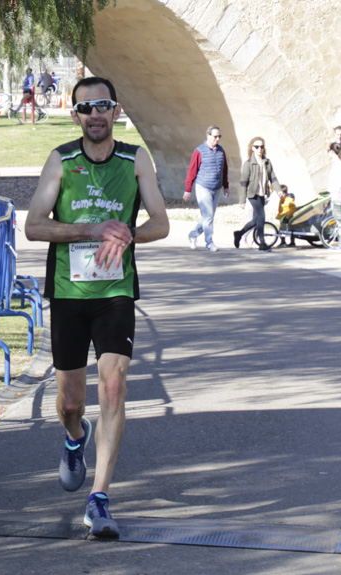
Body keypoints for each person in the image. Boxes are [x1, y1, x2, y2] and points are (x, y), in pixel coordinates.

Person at [24, 76, 170, 538]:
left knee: (113, 387)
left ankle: (100, 499)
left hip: (116, 293)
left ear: (116, 110)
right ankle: (74, 436)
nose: (96, 115)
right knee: (71, 401)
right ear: (75, 115)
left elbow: (161, 223)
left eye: (103, 106)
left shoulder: (135, 159)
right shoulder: (61, 160)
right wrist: (90, 230)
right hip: (69, 293)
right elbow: (33, 226)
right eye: (86, 108)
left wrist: (129, 234)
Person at [183, 125, 229, 251]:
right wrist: (188, 189)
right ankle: (209, 242)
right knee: (208, 216)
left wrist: (226, 186)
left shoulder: (221, 151)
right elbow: (192, 171)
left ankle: (193, 234)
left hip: (216, 188)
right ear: (208, 136)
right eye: (215, 136)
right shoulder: (199, 151)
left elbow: (224, 170)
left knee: (208, 217)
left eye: (219, 136)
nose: (218, 139)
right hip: (203, 187)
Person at [233, 137, 282, 251]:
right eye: (257, 147)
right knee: (261, 217)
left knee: (256, 220)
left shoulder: (267, 162)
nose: (260, 149)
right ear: (252, 148)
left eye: (262, 147)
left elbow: (273, 178)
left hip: (262, 194)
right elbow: (243, 183)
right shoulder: (248, 164)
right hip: (253, 194)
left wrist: (279, 190)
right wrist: (242, 200)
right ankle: (262, 243)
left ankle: (239, 234)